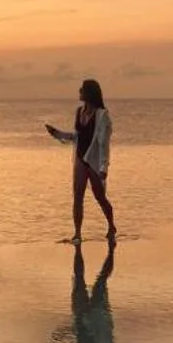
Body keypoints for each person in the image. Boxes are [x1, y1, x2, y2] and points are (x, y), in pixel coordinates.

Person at [45, 78, 114, 243]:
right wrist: (58, 134)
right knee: (77, 196)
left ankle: (111, 226)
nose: (79, 91)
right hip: (79, 159)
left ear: (89, 93)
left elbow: (104, 143)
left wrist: (104, 166)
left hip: (94, 161)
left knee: (100, 197)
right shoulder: (79, 111)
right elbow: (77, 136)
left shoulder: (102, 115)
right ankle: (77, 233)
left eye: (82, 89)